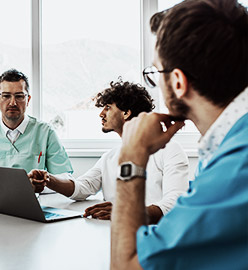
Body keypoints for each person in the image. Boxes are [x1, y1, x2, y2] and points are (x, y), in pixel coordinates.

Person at [111, 0, 248, 269]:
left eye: (155, 73)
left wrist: (131, 157)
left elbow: (126, 266)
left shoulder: (237, 165)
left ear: (177, 81)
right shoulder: (231, 143)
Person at [30, 80, 189, 224]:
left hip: (153, 234)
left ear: (126, 113)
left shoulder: (169, 150)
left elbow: (176, 203)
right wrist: (48, 178)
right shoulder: (109, 157)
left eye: (108, 108)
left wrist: (128, 212)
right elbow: (82, 188)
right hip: (112, 233)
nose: (101, 114)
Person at [0, 69, 73, 185]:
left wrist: (41, 184)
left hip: (34, 200)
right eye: (6, 96)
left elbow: (64, 176)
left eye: (19, 96)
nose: (12, 102)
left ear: (27, 100)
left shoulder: (45, 132)